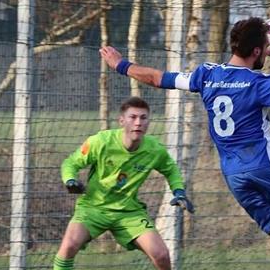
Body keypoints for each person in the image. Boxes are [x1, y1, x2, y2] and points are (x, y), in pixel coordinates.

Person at [100, 17, 270, 270]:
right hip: (265, 166)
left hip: (235, 175)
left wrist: (121, 65)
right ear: (258, 50)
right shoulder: (259, 83)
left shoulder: (207, 75)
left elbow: (158, 78)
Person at [53, 97, 194, 270]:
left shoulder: (154, 149)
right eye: (132, 117)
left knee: (161, 255)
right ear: (121, 120)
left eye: (143, 118)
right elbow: (71, 163)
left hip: (129, 212)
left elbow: (171, 170)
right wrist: (70, 180)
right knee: (68, 247)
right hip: (93, 208)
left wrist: (178, 191)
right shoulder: (101, 141)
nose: (138, 123)